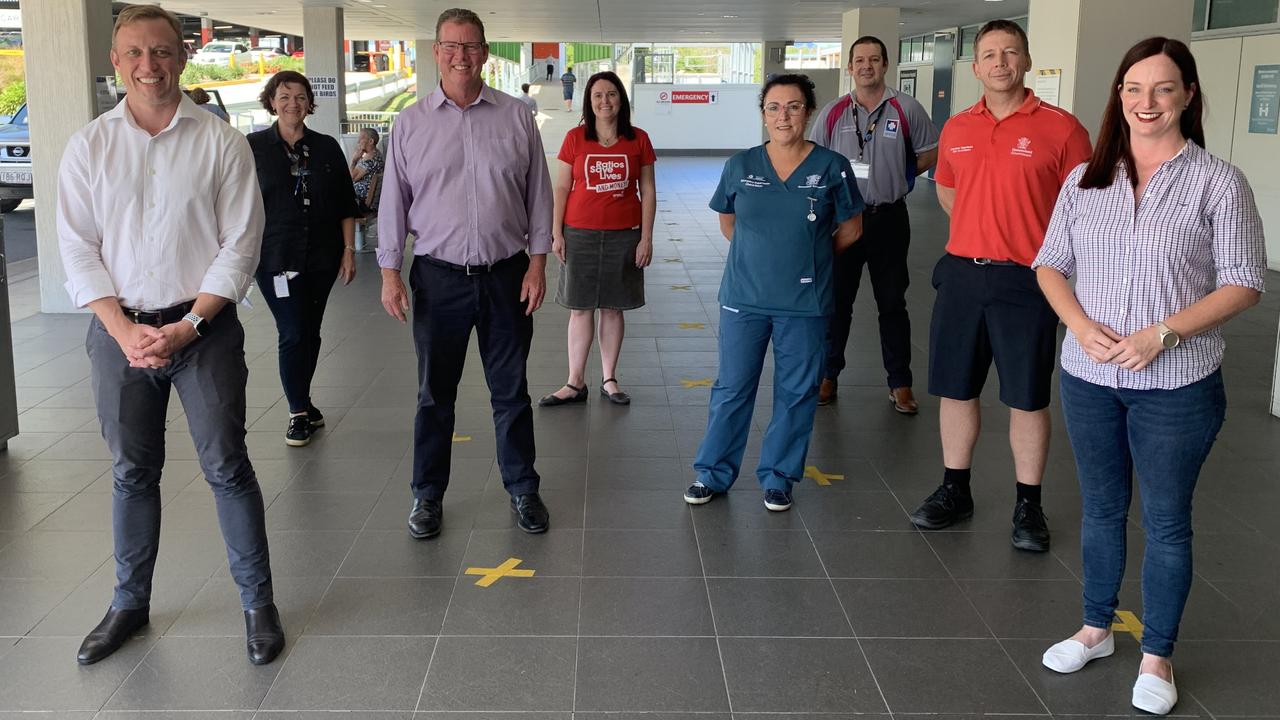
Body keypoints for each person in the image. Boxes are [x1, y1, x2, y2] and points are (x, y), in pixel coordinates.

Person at [1034, 38, 1266, 716]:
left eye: (1163, 89)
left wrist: (1165, 332)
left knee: (1167, 522)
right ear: (1119, 96)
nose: (1146, 102)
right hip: (1088, 374)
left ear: (1188, 96)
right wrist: (1078, 324)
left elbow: (1246, 282)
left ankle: (1158, 652)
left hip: (1179, 383)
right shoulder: (1086, 178)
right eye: (1134, 89)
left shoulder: (1218, 181)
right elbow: (1050, 263)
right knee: (1102, 509)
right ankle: (1096, 628)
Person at [56, 4, 283, 666]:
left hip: (203, 331)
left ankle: (257, 603)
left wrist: (186, 327)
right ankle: (129, 603)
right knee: (132, 471)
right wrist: (122, 328)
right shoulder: (89, 146)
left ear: (182, 56)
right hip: (117, 332)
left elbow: (241, 245)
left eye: (160, 52)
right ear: (116, 62)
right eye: (134, 53)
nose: (148, 65)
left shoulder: (219, 142)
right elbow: (76, 247)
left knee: (226, 466)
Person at [910, 19, 1091, 553]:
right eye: (989, 54)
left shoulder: (1062, 128)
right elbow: (947, 191)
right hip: (963, 273)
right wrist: (978, 228)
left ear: (1027, 61)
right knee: (956, 388)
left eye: (1010, 53)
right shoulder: (959, 128)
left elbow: (1083, 208)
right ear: (976, 66)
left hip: (1029, 280)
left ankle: (1029, 504)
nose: (1000, 62)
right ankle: (954, 490)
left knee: (1026, 397)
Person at [378, 8, 553, 539]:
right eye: (452, 45)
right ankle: (426, 497)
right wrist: (389, 271)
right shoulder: (410, 122)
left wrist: (538, 264)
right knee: (435, 396)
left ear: (485, 52)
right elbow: (393, 202)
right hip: (438, 279)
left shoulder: (517, 117)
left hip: (507, 275)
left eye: (472, 45)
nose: (462, 55)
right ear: (435, 51)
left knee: (512, 392)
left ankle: (523, 488)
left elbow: (539, 196)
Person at [684, 74, 864, 512]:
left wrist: (810, 257)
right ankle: (712, 473)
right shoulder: (741, 165)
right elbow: (728, 220)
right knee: (731, 388)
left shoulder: (831, 166)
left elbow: (852, 228)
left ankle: (779, 477)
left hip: (805, 303)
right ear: (763, 114)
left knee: (797, 392)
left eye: (794, 106)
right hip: (744, 298)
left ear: (809, 111)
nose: (783, 116)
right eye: (774, 107)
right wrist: (759, 257)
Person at [810, 35, 938, 413]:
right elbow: (816, 159)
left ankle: (900, 383)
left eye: (874, 59)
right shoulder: (833, 112)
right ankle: (828, 374)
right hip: (842, 219)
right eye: (860, 60)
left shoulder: (906, 108)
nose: (867, 66)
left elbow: (930, 151)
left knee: (892, 302)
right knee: (837, 303)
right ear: (849, 67)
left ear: (885, 65)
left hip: (889, 219)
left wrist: (898, 175)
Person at [248, 71, 358, 447]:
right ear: (271, 101)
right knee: (292, 332)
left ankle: (305, 401)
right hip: (275, 257)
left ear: (309, 103)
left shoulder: (326, 147)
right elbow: (235, 204)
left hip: (323, 256)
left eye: (299, 96)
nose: (292, 103)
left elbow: (346, 203)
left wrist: (348, 251)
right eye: (284, 96)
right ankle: (297, 412)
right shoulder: (253, 147)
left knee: (310, 331)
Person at [540, 71, 656, 407]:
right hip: (580, 234)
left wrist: (645, 237)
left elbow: (647, 190)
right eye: (597, 96)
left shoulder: (639, 139)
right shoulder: (576, 138)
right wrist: (556, 231)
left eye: (611, 94)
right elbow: (562, 187)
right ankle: (575, 382)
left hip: (624, 235)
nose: (605, 101)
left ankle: (609, 379)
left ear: (621, 99)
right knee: (579, 309)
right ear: (589, 103)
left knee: (613, 309)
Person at [350, 126, 384, 216]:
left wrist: (354, 161)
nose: (358, 142)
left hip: (359, 202)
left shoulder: (370, 159)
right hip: (360, 199)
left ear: (371, 141)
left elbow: (351, 178)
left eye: (361, 138)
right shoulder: (377, 155)